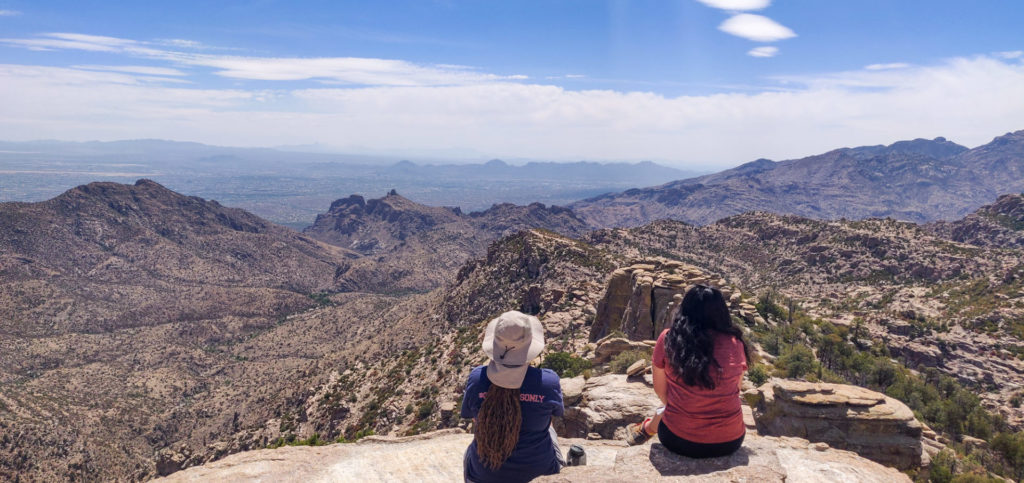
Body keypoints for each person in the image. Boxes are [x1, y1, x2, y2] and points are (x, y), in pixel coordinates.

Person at [624, 284, 751, 458]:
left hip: (679, 440)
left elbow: (662, 393)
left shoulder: (669, 339)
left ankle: (647, 428)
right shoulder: (736, 343)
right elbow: (734, 390)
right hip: (730, 441)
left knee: (673, 406)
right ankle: (647, 427)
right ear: (721, 312)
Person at [461, 311, 565, 483]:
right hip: (539, 473)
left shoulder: (477, 379)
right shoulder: (548, 381)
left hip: (484, 476)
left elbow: (474, 418)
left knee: (470, 451)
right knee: (549, 428)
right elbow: (555, 414)